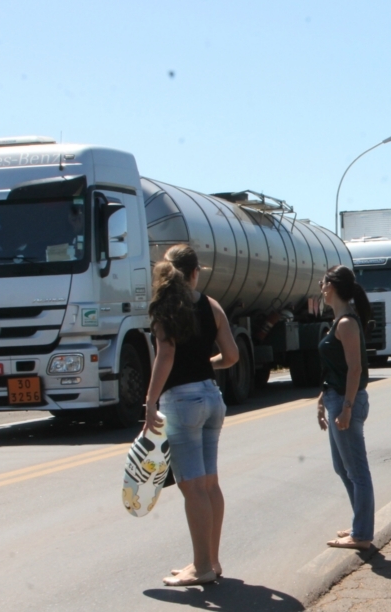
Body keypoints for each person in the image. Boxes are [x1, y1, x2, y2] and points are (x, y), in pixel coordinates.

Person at [144, 244, 239, 587]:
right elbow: (231, 355)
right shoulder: (211, 305)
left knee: (193, 487)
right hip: (212, 398)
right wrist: (206, 365)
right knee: (210, 484)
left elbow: (165, 354)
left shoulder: (164, 307)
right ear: (196, 272)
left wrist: (150, 400)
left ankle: (201, 567)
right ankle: (210, 560)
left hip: (182, 403)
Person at [316, 264, 374, 551]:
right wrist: (321, 398)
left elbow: (355, 369)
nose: (320, 287)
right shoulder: (338, 320)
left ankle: (362, 534)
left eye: (323, 283)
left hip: (347, 400)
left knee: (357, 471)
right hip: (336, 398)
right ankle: (358, 525)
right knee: (343, 467)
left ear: (333, 286)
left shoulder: (347, 323)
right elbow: (336, 368)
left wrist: (347, 408)